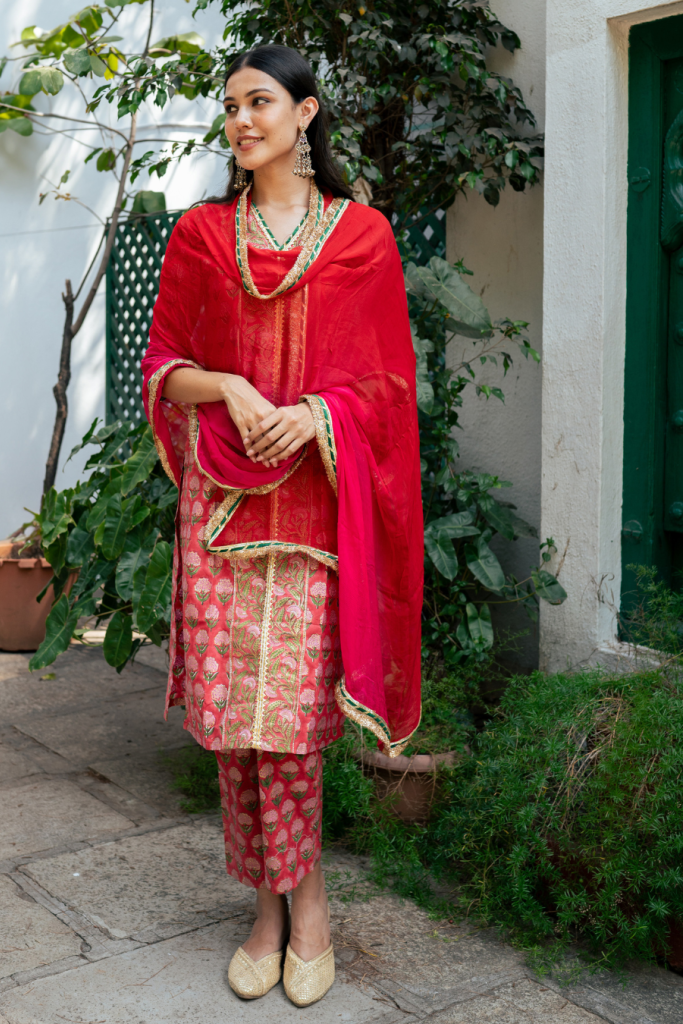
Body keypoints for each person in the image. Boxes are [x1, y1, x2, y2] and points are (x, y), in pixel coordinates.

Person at [141, 43, 423, 1008]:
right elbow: (163, 368)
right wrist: (224, 383)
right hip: (218, 512)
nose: (240, 120)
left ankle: (307, 911)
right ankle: (263, 912)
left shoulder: (363, 238)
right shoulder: (200, 240)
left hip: (311, 514)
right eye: (230, 107)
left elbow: (385, 387)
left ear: (305, 114)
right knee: (234, 728)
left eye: (260, 102)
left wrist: (316, 416)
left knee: (292, 728)